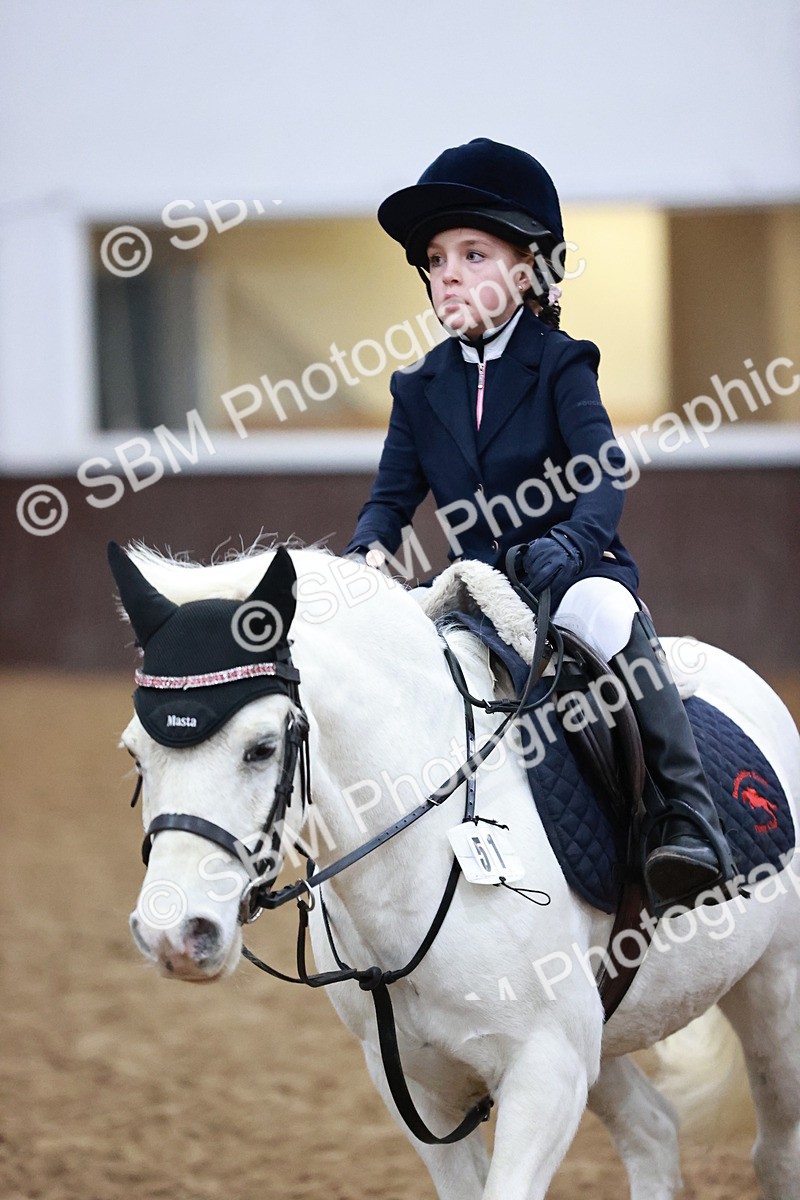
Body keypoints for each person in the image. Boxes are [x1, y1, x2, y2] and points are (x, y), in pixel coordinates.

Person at [344, 136, 736, 910]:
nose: (447, 273)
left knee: (613, 615)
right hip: (475, 587)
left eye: (473, 254)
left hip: (569, 572)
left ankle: (686, 815)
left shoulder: (560, 363)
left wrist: (571, 544)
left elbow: (602, 474)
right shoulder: (419, 388)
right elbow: (391, 503)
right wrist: (362, 562)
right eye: (436, 258)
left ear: (528, 270)